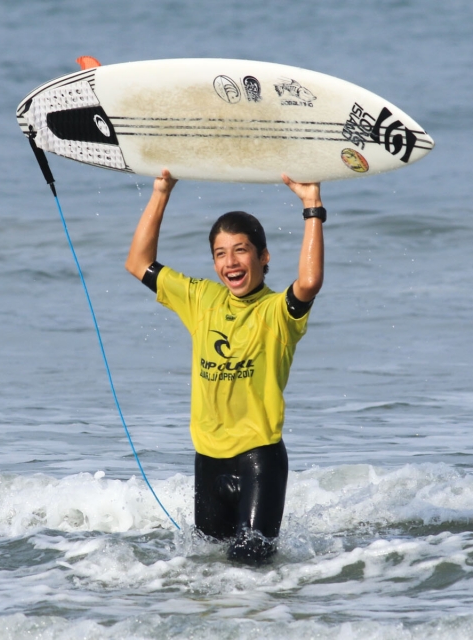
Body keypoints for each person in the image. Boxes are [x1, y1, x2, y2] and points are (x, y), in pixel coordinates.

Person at [125, 170, 325, 564]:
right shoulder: (202, 299)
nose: (230, 262)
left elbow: (310, 281)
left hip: (259, 461)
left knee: (250, 565)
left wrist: (311, 205)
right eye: (220, 253)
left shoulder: (277, 312)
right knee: (209, 570)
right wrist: (161, 192)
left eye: (241, 250)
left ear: (263, 257)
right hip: (208, 460)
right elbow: (138, 262)